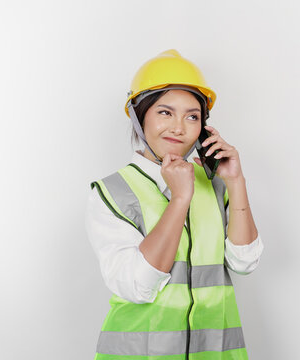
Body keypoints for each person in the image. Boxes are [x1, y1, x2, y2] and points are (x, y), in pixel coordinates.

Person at [84, 49, 264, 360]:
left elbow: (245, 262)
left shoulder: (214, 183)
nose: (179, 128)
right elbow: (138, 286)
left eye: (192, 116)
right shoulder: (111, 193)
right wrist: (180, 198)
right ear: (140, 118)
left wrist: (236, 182)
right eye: (165, 112)